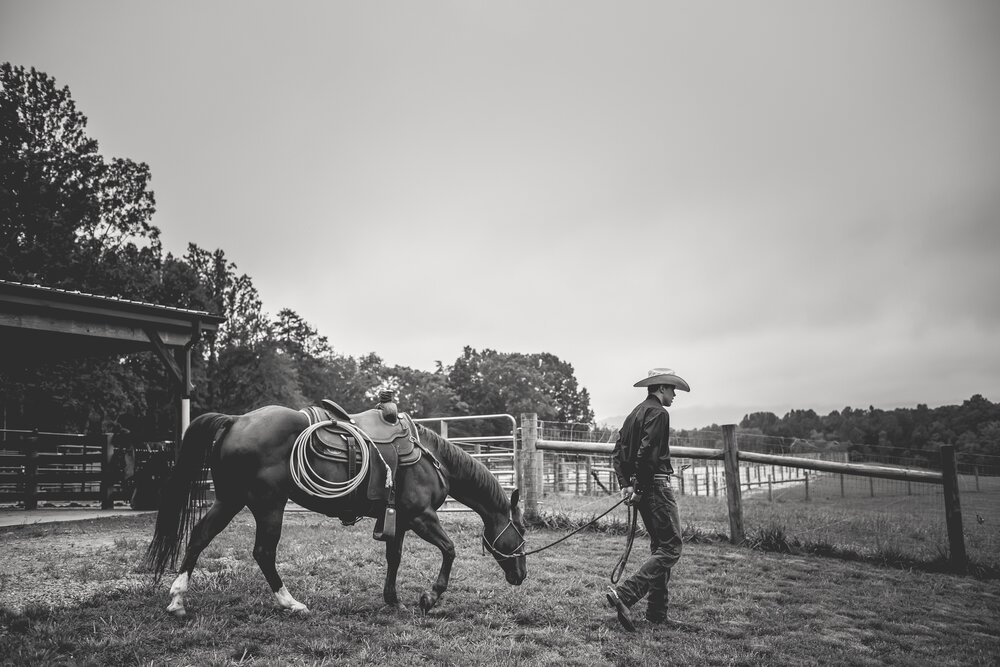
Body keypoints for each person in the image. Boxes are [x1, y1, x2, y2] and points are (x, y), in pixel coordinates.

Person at [605, 368, 690, 631]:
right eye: (672, 389)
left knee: (660, 547)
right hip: (655, 487)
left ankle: (656, 614)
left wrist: (626, 484)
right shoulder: (659, 413)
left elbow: (619, 452)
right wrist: (639, 487)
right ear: (662, 388)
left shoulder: (634, 413)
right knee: (671, 547)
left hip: (643, 488)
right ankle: (626, 594)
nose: (674, 394)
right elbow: (648, 452)